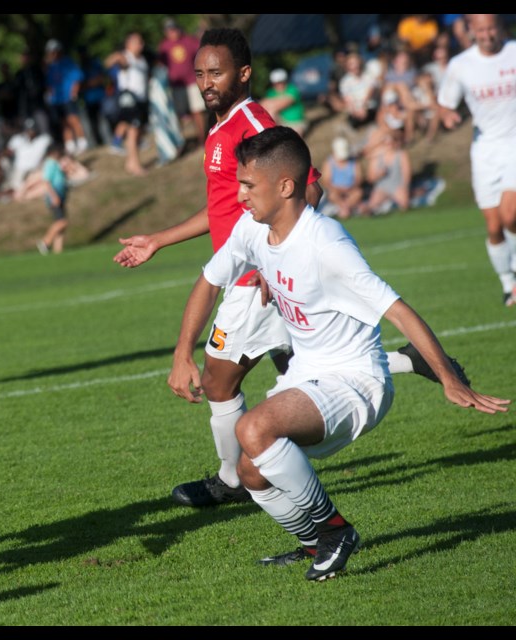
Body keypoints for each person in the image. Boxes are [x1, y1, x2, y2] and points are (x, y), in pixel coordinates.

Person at [114, 27, 465, 511]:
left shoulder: (253, 123)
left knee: (218, 381)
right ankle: (409, 361)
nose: (205, 82)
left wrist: (275, 253)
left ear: (243, 73)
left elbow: (309, 189)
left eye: (215, 72)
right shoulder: (220, 126)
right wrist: (158, 239)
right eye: (199, 74)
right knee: (301, 368)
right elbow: (221, 209)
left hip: (250, 277)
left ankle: (231, 480)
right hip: (250, 265)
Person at [167, 126, 508, 580]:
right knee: (251, 474)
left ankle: (336, 531)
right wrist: (181, 352)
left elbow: (398, 309)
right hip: (308, 375)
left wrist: (448, 376)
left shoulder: (326, 243)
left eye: (248, 184)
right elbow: (210, 280)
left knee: (254, 427)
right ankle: (313, 545)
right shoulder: (253, 229)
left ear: (285, 186)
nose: (240, 194)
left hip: (356, 382)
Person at [437, 14, 516, 307]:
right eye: (480, 29)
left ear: (500, 27)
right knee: (494, 226)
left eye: (491, 28)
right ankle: (508, 284)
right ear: (471, 31)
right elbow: (444, 104)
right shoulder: (461, 66)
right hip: (484, 151)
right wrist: (448, 116)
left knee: (511, 214)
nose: (486, 34)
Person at [105, 31, 150, 177]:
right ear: (129, 43)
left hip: (141, 99)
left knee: (137, 132)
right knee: (133, 132)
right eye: (138, 42)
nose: (141, 45)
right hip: (130, 100)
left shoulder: (141, 59)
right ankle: (136, 165)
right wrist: (118, 57)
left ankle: (130, 163)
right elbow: (110, 61)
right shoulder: (126, 57)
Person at [159, 17, 207, 148]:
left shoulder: (189, 41)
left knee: (197, 110)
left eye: (174, 29)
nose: (172, 32)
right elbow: (161, 65)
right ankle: (181, 142)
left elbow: (200, 52)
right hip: (176, 85)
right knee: (180, 114)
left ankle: (202, 139)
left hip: (192, 81)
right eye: (169, 30)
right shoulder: (164, 46)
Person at [43, 39, 89, 156]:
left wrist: (74, 92)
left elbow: (77, 78)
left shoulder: (68, 62)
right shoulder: (51, 66)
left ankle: (82, 143)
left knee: (73, 120)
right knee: (63, 123)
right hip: (57, 100)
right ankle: (70, 145)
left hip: (68, 97)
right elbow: (49, 84)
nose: (52, 54)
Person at [36, 143, 69, 256]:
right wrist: (53, 196)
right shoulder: (50, 163)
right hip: (55, 196)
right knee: (62, 222)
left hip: (60, 195)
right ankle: (45, 242)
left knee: (60, 225)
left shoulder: (55, 163)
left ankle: (58, 251)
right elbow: (46, 181)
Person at [320, 137, 364, 220]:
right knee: (332, 195)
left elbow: (358, 178)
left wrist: (351, 187)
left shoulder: (354, 162)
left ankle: (345, 208)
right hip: (335, 189)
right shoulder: (329, 162)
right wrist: (336, 188)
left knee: (358, 193)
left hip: (350, 188)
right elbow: (326, 181)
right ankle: (345, 208)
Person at [260, 68, 308, 136]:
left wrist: (271, 104)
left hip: (297, 122)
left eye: (280, 82)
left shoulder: (292, 89)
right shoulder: (270, 92)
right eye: (276, 83)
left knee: (294, 138)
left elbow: (285, 102)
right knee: (270, 113)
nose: (278, 85)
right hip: (281, 121)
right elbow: (263, 105)